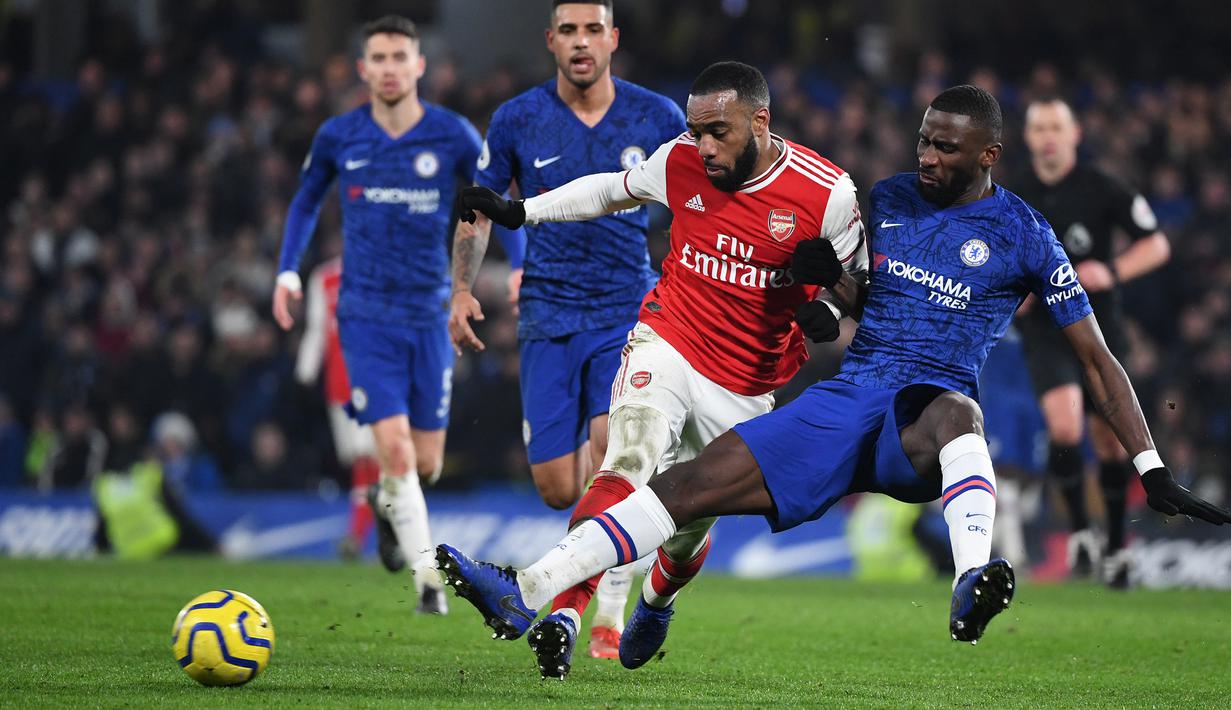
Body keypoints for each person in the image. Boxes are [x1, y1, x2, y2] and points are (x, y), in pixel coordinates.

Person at [438, 85, 1231, 665]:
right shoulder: (882, 201)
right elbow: (850, 296)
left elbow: (1097, 357)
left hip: (915, 424)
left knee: (958, 412)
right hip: (844, 399)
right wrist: (829, 285)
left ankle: (972, 576)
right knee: (681, 492)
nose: (925, 155)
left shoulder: (1024, 234)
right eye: (922, 139)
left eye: (944, 147)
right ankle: (526, 589)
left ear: (987, 155)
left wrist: (1148, 465)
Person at [451, 60, 867, 679]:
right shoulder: (679, 160)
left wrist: (829, 299)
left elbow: (863, 295)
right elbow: (609, 190)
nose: (702, 146)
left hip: (747, 385)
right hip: (668, 338)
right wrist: (522, 213)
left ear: (760, 121)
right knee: (628, 458)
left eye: (717, 132)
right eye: (696, 130)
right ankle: (558, 609)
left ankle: (656, 601)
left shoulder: (827, 193)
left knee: (684, 531)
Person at [448, 0, 686, 661]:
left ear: (612, 38)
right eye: (569, 32)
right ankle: (607, 565)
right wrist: (462, 289)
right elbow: (479, 208)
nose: (582, 43)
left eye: (593, 30)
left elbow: (692, 204)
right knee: (561, 488)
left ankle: (588, 613)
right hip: (548, 316)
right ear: (550, 41)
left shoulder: (657, 118)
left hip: (627, 312)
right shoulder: (518, 118)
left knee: (617, 458)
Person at [272, 15, 504, 614]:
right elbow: (304, 201)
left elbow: (489, 202)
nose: (390, 68)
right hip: (365, 317)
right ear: (363, 69)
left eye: (401, 56)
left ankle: (385, 504)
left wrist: (520, 263)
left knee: (423, 465)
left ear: (420, 66)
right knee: (396, 451)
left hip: (428, 317)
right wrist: (287, 271)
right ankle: (429, 582)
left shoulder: (451, 135)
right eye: (379, 58)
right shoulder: (338, 136)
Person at [1014, 97, 1171, 587]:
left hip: (1098, 327)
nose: (1048, 136)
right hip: (1044, 328)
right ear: (1028, 137)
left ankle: (1116, 545)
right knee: (1063, 426)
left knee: (1108, 441)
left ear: (1075, 133)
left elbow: (1156, 243)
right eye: (1039, 127)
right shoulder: (1012, 194)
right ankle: (1081, 531)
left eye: (1056, 126)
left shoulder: (1101, 187)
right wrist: (1009, 292)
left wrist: (1113, 270)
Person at [294, 254, 383, 561]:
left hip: (376, 382)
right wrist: (305, 372)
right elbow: (317, 329)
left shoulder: (382, 271)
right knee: (361, 461)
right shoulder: (324, 277)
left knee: (369, 459)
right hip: (338, 386)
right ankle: (378, 531)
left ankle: (360, 535)